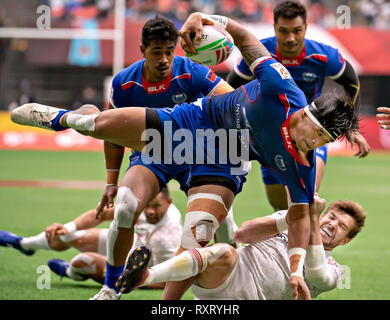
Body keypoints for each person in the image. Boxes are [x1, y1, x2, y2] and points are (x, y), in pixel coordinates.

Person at [10, 11, 357, 300]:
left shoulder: (303, 163)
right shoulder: (282, 88)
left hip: (226, 156)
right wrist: (201, 17)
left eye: (323, 141)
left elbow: (299, 218)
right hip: (194, 121)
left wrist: (296, 270)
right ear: (307, 114)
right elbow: (244, 37)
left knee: (197, 234)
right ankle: (68, 119)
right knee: (98, 127)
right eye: (317, 135)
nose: (314, 145)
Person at [227, 0, 371, 211]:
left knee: (306, 201)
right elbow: (231, 85)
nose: (290, 38)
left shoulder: (323, 55)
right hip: (270, 137)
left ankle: (313, 242)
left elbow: (351, 81)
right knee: (281, 210)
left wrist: (352, 126)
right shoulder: (259, 52)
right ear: (275, 27)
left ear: (305, 28)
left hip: (312, 134)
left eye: (296, 30)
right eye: (283, 31)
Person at [118, 196, 366, 300]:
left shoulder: (335, 271)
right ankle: (145, 276)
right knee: (223, 250)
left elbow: (316, 273)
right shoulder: (291, 220)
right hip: (227, 275)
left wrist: (311, 219)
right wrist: (287, 219)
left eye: (341, 226)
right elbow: (244, 234)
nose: (332, 224)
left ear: (345, 241)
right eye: (330, 217)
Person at [0, 188, 182, 290]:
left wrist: (137, 280)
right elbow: (101, 215)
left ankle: (70, 271)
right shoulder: (138, 204)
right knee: (68, 235)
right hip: (133, 243)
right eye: (148, 205)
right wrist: (69, 226)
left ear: (169, 202)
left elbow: (171, 279)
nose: (150, 211)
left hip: (140, 267)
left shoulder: (169, 235)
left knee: (81, 261)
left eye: (156, 206)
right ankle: (25, 243)